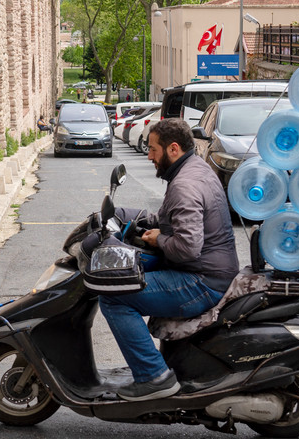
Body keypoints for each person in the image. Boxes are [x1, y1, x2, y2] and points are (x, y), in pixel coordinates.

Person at [99, 118, 239, 401]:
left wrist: (157, 239)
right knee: (133, 270)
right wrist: (132, 216)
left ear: (173, 148)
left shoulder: (184, 185)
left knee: (114, 297)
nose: (149, 156)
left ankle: (154, 377)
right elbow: (174, 219)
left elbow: (187, 248)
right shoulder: (196, 169)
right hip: (209, 270)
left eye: (153, 149)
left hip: (201, 280)